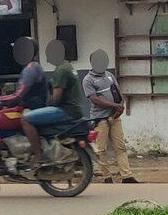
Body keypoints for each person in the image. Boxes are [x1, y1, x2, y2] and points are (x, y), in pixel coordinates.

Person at [0, 38, 48, 178]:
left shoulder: (30, 69)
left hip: (27, 110)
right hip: (27, 107)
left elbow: (18, 96)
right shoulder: (32, 68)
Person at [21, 43, 84, 169]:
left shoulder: (61, 70)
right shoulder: (68, 67)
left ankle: (39, 157)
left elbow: (56, 98)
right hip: (74, 109)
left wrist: (45, 106)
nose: (48, 57)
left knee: (25, 119)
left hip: (65, 110)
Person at [82, 50, 137, 184]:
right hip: (100, 120)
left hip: (114, 118)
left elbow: (118, 92)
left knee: (120, 146)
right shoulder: (88, 80)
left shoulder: (109, 75)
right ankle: (106, 176)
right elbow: (95, 99)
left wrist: (121, 106)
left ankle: (126, 175)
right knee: (101, 149)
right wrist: (114, 106)